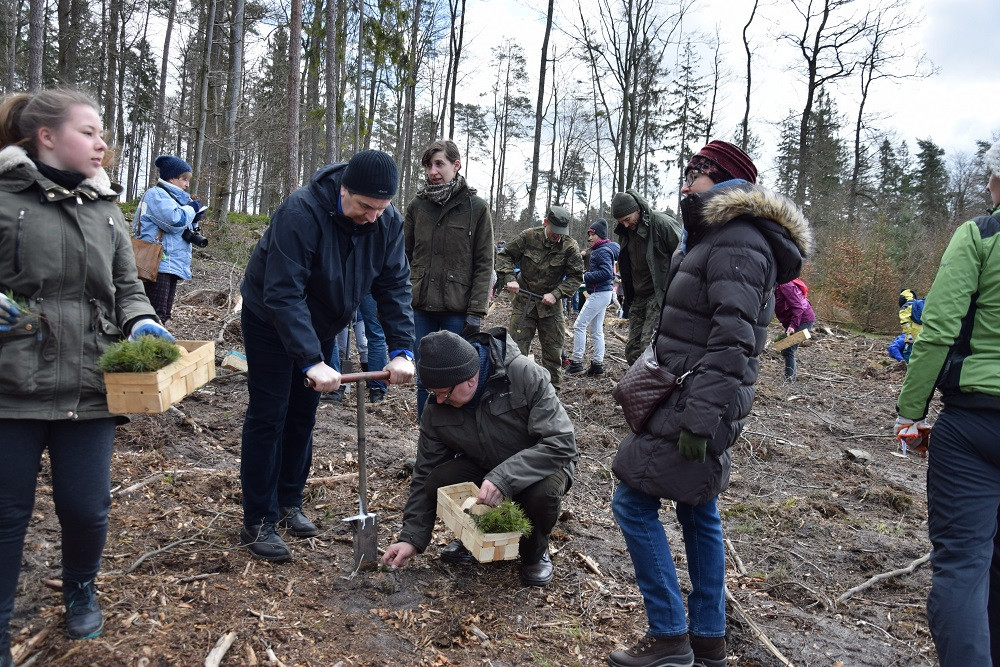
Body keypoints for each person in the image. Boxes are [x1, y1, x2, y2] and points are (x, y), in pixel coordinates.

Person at [609, 140, 812, 667]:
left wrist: (700, 419)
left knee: (632, 502)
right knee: (699, 509)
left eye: (696, 171)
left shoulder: (737, 241)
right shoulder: (716, 236)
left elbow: (734, 341)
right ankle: (708, 640)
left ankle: (669, 635)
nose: (685, 178)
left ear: (724, 180)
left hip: (695, 399)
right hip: (693, 393)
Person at [0, 88, 174, 662]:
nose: (104, 144)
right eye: (89, 132)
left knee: (86, 505)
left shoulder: (105, 209)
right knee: (7, 513)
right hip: (11, 384)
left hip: (89, 382)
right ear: (46, 137)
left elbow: (127, 286)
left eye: (104, 134)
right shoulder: (3, 198)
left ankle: (80, 588)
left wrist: (144, 319)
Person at [239, 149, 415, 562]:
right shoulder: (301, 212)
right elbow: (283, 292)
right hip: (269, 318)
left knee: (303, 412)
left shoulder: (386, 221)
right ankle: (258, 518)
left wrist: (402, 348)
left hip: (321, 323)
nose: (374, 216)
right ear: (343, 190)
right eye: (365, 206)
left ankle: (288, 501)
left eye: (382, 208)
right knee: (270, 414)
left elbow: (394, 287)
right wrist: (310, 359)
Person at [893, 140, 1000, 667]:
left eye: (991, 179)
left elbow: (937, 330)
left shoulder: (981, 235)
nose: (986, 187)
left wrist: (910, 411)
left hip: (977, 422)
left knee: (962, 566)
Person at [382, 329, 578, 587]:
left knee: (542, 495)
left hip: (542, 465)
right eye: (433, 392)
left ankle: (534, 552)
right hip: (485, 465)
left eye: (444, 393)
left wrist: (504, 478)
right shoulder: (437, 408)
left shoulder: (523, 374)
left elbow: (561, 443)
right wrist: (411, 538)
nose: (439, 400)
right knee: (438, 479)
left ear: (470, 381)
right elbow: (424, 472)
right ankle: (477, 537)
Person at [404, 140, 494, 420]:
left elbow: (484, 263)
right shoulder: (417, 206)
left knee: (456, 379)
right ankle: (426, 445)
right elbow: (403, 257)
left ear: (456, 165)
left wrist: (476, 312)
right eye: (429, 165)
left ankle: (454, 447)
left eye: (439, 163)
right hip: (421, 308)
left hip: (458, 310)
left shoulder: (476, 208)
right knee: (425, 379)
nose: (433, 171)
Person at [495, 206, 584, 392]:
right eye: (554, 231)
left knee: (553, 351)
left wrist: (556, 294)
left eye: (561, 233)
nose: (557, 236)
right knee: (516, 350)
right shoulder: (529, 236)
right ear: (546, 223)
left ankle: (552, 393)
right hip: (524, 302)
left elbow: (576, 276)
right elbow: (505, 256)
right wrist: (510, 279)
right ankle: (514, 390)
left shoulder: (569, 246)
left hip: (551, 306)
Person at [611, 189, 681, 365]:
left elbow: (685, 255)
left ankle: (653, 389)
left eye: (627, 219)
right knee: (632, 350)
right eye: (621, 222)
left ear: (638, 210)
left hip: (659, 295)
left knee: (648, 347)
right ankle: (636, 386)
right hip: (638, 296)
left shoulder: (661, 224)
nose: (625, 225)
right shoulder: (625, 231)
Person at [135, 154, 207, 322]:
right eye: (184, 179)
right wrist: (191, 210)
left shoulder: (176, 199)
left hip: (170, 262)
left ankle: (156, 346)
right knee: (155, 315)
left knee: (164, 315)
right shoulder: (156, 195)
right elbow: (174, 221)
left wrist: (194, 220)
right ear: (171, 178)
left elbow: (181, 228)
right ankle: (147, 347)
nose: (187, 184)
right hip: (156, 263)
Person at [566, 218, 620, 377]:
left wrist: (586, 276)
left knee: (579, 325)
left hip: (599, 293)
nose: (589, 238)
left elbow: (607, 273)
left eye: (593, 235)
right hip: (604, 293)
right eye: (589, 235)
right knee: (596, 330)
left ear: (601, 236)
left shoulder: (601, 251)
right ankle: (597, 366)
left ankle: (576, 362)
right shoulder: (603, 249)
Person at [774, 278, 816, 381]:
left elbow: (798, 307)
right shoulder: (775, 286)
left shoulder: (785, 286)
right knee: (783, 348)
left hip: (804, 320)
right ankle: (790, 376)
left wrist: (792, 326)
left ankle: (789, 381)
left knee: (789, 350)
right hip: (797, 320)